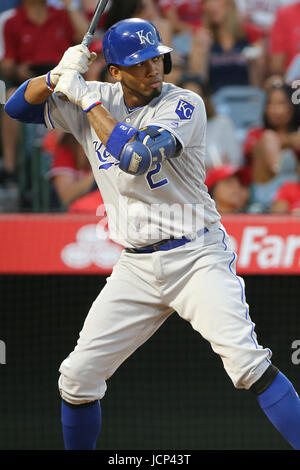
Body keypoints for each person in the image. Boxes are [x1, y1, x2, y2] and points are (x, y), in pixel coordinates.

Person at [5, 17, 300, 451]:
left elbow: (135, 157)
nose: (153, 69)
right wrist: (53, 77)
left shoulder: (184, 104)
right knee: (77, 378)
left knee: (247, 365)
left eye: (157, 59)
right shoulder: (98, 97)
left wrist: (84, 97)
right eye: (140, 63)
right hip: (137, 266)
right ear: (115, 72)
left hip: (196, 255)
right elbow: (17, 108)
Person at [0, 0, 89, 187]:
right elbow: (7, 64)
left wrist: (70, 6)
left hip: (67, 81)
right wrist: (18, 70)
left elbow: (86, 38)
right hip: (31, 84)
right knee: (9, 97)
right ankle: (10, 169)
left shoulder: (62, 14)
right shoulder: (12, 21)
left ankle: (81, 167)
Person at [243, 80, 300, 212]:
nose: (274, 109)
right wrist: (291, 140)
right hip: (266, 197)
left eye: (281, 103)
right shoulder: (257, 133)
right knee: (269, 137)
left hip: (294, 198)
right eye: (270, 104)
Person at [188, 0, 266, 94]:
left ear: (229, 3)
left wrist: (255, 63)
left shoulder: (250, 34)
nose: (210, 6)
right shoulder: (202, 36)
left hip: (245, 97)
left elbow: (258, 84)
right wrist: (202, 53)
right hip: (214, 99)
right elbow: (198, 81)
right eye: (206, 2)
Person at [177, 72, 244, 170]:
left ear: (205, 99)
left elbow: (237, 161)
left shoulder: (222, 123)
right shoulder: (173, 130)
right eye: (187, 98)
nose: (192, 103)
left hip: (221, 181)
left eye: (197, 97)